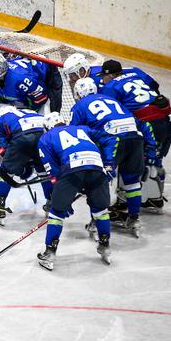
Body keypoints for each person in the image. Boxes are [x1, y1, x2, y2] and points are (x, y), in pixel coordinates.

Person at [71, 77, 157, 237]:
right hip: (134, 138)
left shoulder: (79, 106)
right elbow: (143, 125)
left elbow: (74, 133)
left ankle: (96, 222)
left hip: (113, 141)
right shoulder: (112, 100)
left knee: (97, 184)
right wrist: (151, 148)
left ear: (78, 93)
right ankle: (134, 219)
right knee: (132, 182)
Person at [36, 112, 118, 270]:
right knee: (101, 210)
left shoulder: (45, 138)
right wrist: (108, 163)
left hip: (71, 170)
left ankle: (50, 252)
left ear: (47, 127)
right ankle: (105, 245)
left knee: (56, 213)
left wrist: (63, 198)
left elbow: (53, 172)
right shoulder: (83, 129)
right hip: (97, 167)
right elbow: (110, 138)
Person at [96, 59, 171, 213]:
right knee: (155, 159)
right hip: (168, 115)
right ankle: (155, 198)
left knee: (127, 157)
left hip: (150, 122)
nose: (102, 80)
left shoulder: (110, 88)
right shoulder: (135, 72)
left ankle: (124, 202)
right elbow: (155, 86)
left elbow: (112, 114)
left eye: (103, 77)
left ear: (111, 76)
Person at [0, 106, 52, 226]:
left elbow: (0, 148)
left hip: (23, 138)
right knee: (44, 170)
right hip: (44, 137)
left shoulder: (1, 119)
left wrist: (17, 164)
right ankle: (51, 202)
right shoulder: (33, 113)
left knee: (5, 172)